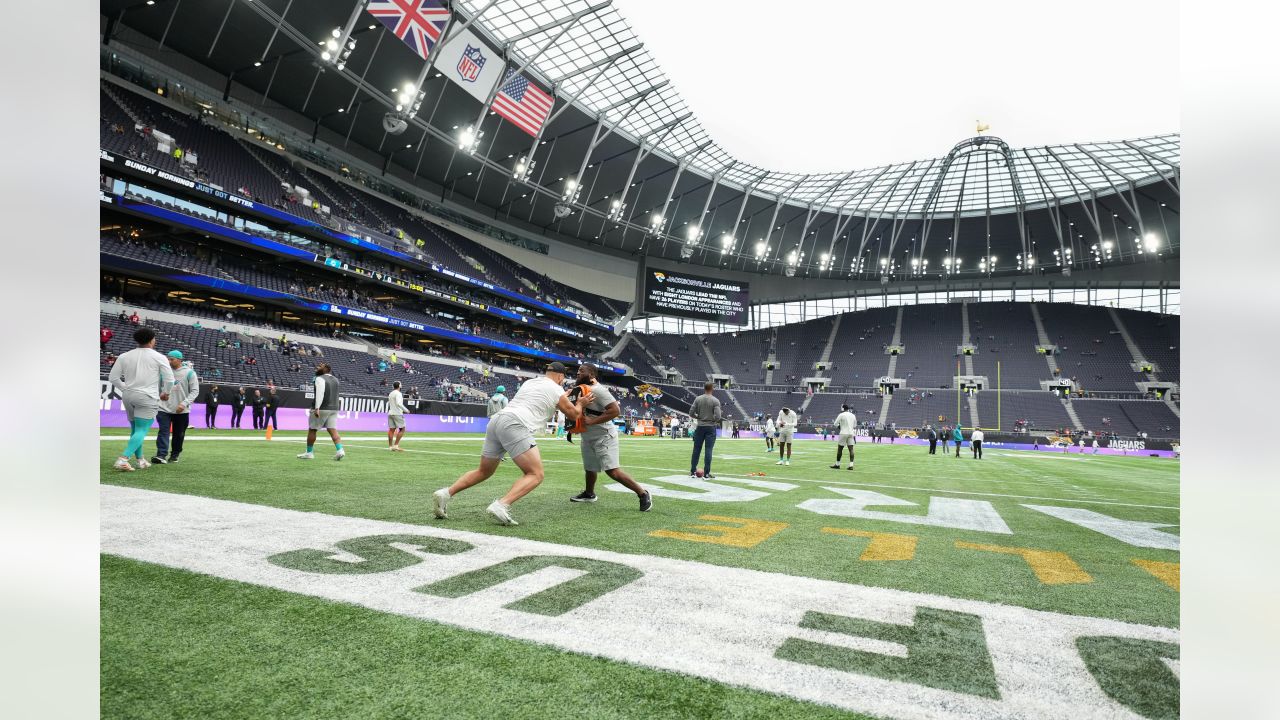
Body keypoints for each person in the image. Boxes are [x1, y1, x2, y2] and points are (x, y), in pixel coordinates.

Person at [433, 361, 588, 526]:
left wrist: (564, 394)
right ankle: (501, 504)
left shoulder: (531, 382)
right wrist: (581, 403)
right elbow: (573, 414)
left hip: (497, 420)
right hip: (515, 423)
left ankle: (446, 493)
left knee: (483, 471)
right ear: (560, 376)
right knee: (536, 474)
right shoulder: (557, 388)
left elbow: (543, 398)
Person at [568, 364, 652, 510]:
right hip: (588, 436)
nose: (577, 373)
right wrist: (572, 427)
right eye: (578, 370)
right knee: (590, 468)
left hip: (604, 436)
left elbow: (615, 411)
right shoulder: (580, 389)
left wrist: (592, 421)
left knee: (612, 471)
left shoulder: (598, 390)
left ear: (592, 375)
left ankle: (643, 493)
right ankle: (589, 494)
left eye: (582, 371)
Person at [107, 327, 175, 471]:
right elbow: (169, 379)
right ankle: (123, 459)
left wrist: (125, 388)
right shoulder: (159, 356)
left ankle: (140, 460)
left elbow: (113, 378)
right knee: (142, 430)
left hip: (128, 395)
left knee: (136, 429)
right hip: (147, 396)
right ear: (152, 340)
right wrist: (166, 393)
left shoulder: (124, 356)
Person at [152, 351, 199, 464]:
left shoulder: (190, 373)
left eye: (171, 359)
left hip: (181, 410)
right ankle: (161, 455)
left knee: (179, 434)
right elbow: (157, 388)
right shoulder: (163, 372)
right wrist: (159, 396)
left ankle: (175, 455)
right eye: (168, 359)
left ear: (179, 360)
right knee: (163, 431)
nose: (169, 361)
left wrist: (184, 404)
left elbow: (195, 391)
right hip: (163, 408)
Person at [297, 363, 345, 460]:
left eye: (320, 366)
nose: (317, 367)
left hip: (322, 407)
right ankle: (340, 450)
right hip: (334, 408)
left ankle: (309, 453)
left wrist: (317, 407)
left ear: (326, 369)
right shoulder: (336, 380)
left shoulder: (319, 378)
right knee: (332, 429)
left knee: (312, 429)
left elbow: (320, 393)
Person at [688, 382, 723, 478]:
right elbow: (718, 416)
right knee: (708, 450)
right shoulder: (715, 400)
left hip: (700, 426)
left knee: (696, 450)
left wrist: (699, 417)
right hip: (710, 427)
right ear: (712, 389)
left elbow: (691, 412)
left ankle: (692, 471)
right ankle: (706, 473)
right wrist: (713, 420)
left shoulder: (698, 399)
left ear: (704, 388)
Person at [830, 404, 857, 470]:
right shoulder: (853, 415)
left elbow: (835, 424)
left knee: (840, 449)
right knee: (851, 449)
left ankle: (837, 464)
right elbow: (855, 425)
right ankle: (851, 465)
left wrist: (840, 427)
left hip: (843, 433)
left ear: (843, 408)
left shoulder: (841, 414)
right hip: (851, 433)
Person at [387, 380, 407, 452]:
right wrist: (406, 410)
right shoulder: (398, 393)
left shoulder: (391, 393)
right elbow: (399, 403)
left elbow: (389, 403)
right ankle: (396, 445)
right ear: (399, 386)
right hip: (397, 413)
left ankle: (390, 446)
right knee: (402, 429)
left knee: (391, 430)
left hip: (390, 413)